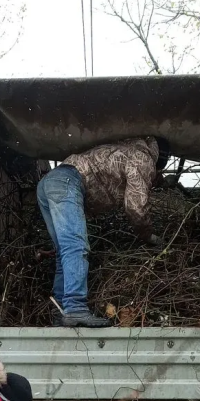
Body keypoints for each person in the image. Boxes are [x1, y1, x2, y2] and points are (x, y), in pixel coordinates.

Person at [36, 136, 168, 328]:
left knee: (63, 252)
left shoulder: (125, 150)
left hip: (49, 183)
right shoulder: (143, 159)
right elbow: (136, 207)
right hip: (67, 182)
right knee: (75, 245)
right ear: (160, 157)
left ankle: (60, 312)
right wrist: (147, 235)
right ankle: (75, 308)